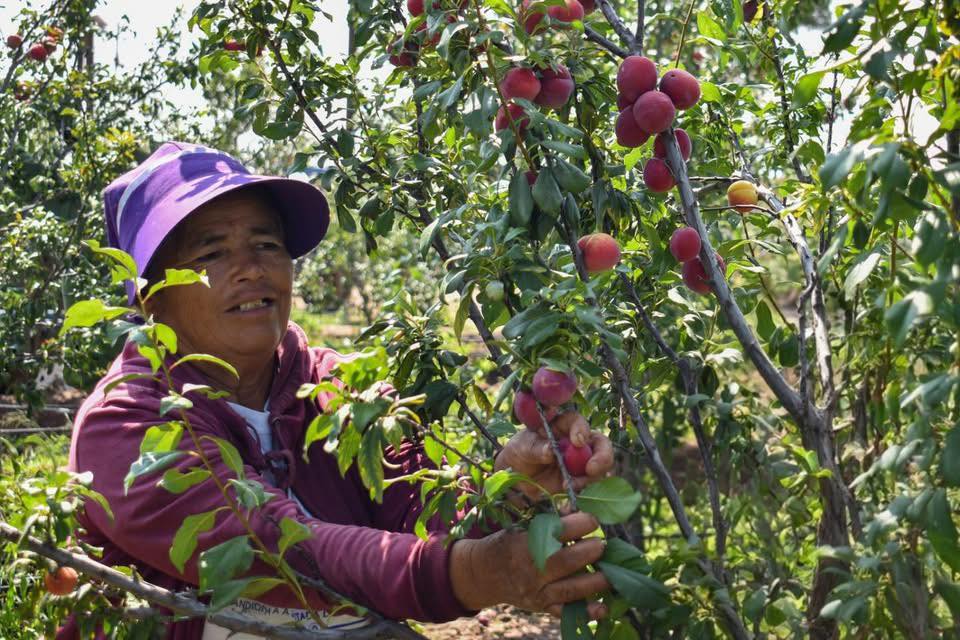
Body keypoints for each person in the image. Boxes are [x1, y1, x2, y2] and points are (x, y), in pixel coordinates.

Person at [59, 141, 615, 639]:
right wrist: (472, 573)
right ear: (150, 295)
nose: (251, 269)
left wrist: (509, 488)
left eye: (267, 244)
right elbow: (279, 548)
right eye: (211, 253)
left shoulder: (344, 389)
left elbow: (421, 517)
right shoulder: (125, 427)